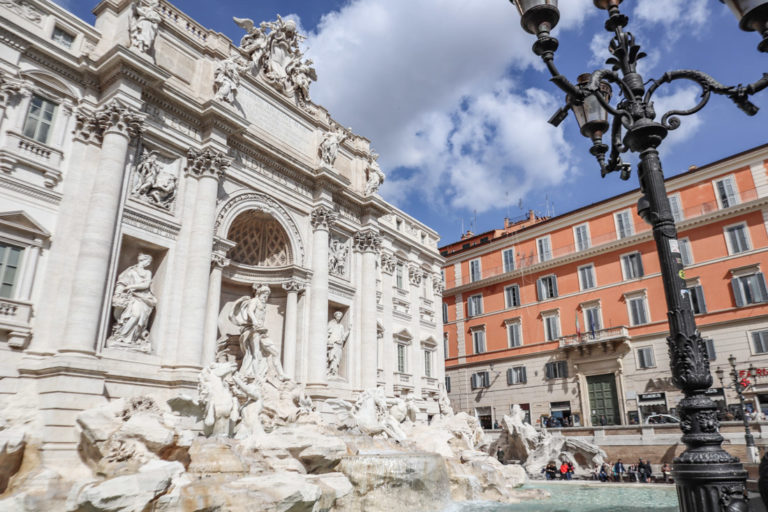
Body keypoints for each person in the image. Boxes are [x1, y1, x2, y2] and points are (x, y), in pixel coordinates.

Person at [107, 254, 157, 347]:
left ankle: (131, 338)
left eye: (150, 262)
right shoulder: (130, 271)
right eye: (148, 261)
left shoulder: (148, 272)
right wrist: (118, 293)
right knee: (134, 315)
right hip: (131, 297)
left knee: (138, 317)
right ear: (142, 260)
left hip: (143, 298)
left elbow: (146, 285)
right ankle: (122, 336)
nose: (149, 263)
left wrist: (131, 286)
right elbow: (122, 282)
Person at [326, 310, 349, 376]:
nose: (339, 317)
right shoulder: (331, 323)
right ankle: (329, 371)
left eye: (340, 316)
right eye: (338, 316)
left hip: (339, 345)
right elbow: (327, 333)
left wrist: (348, 331)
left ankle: (334, 372)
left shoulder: (341, 326)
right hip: (333, 344)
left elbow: (343, 336)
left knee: (337, 359)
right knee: (331, 357)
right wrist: (328, 341)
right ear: (335, 316)